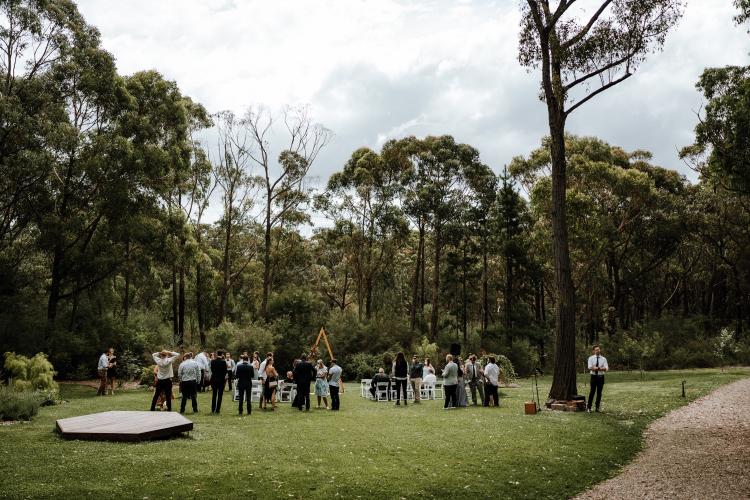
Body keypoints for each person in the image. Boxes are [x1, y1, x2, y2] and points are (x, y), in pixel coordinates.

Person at [587, 345, 609, 412]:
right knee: (592, 392)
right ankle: (589, 407)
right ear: (593, 351)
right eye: (596, 350)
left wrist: (598, 368)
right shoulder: (591, 358)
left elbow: (606, 368)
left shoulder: (604, 359)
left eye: (599, 349)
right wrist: (600, 368)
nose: (598, 351)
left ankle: (597, 407)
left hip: (600, 377)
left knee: (599, 393)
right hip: (593, 377)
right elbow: (590, 367)